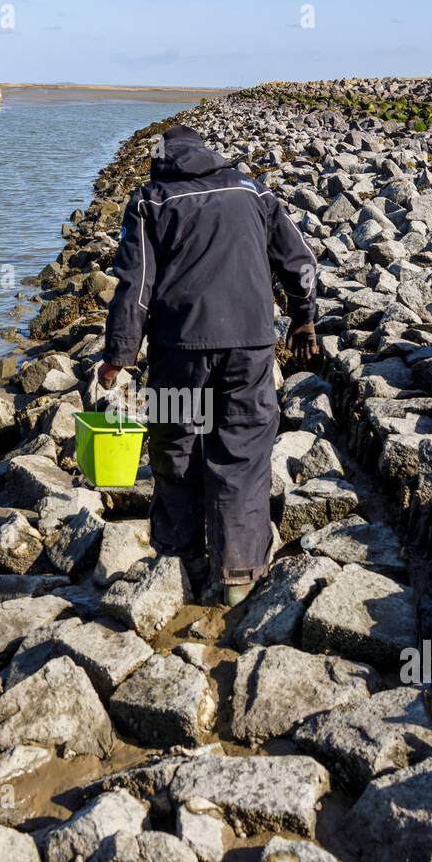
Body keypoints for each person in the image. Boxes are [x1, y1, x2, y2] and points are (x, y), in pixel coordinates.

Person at [98, 124, 319, 607]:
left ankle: (182, 563)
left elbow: (135, 285)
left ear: (161, 157)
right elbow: (298, 261)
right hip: (250, 345)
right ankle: (237, 580)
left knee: (176, 447)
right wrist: (304, 318)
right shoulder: (251, 191)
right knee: (240, 451)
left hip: (180, 350)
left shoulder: (151, 201)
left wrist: (118, 354)